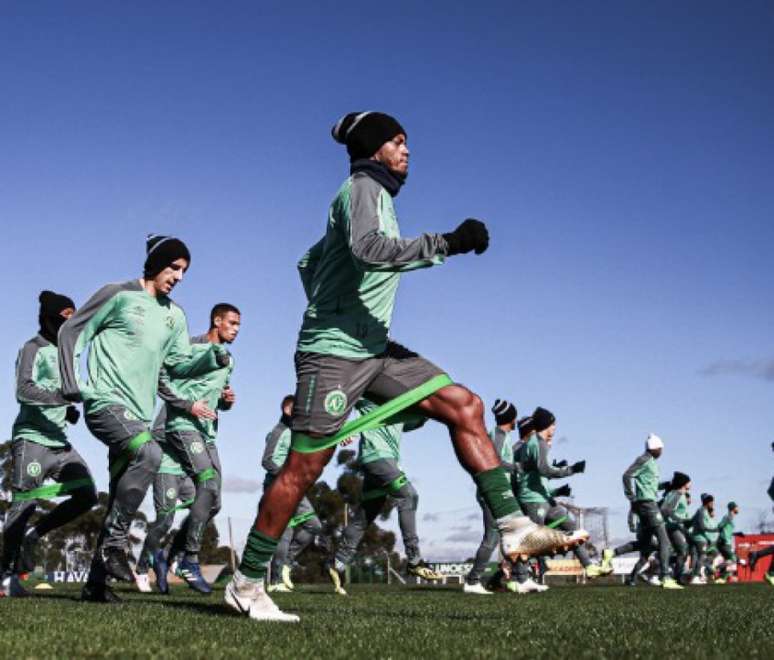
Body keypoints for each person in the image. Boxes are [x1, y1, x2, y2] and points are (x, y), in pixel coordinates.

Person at [224, 112, 586, 623]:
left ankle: (512, 525)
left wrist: (336, 295)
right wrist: (447, 243)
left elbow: (309, 262)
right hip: (333, 353)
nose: (406, 150)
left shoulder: (378, 198)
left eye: (406, 142)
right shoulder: (362, 188)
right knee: (304, 467)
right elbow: (368, 251)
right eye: (397, 141)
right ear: (374, 149)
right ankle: (245, 582)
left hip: (374, 349)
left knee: (465, 404)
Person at [58, 235, 229, 602]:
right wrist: (71, 383)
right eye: (174, 267)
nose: (179, 276)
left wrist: (212, 357)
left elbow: (178, 364)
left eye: (184, 271)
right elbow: (71, 331)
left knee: (123, 491)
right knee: (150, 455)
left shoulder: (175, 316)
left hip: (137, 414)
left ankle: (96, 586)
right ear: (155, 264)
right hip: (105, 403)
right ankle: (116, 545)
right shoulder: (117, 294)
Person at [1, 292, 97, 598]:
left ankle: (35, 534)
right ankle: (5, 577)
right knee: (24, 503)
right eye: (65, 315)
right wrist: (61, 399)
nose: (71, 322)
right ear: (50, 318)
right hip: (31, 438)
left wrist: (67, 411)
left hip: (59, 441)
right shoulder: (32, 348)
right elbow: (24, 390)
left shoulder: (68, 352)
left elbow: (63, 389)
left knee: (86, 494)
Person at [150, 303, 239, 594]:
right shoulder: (189, 347)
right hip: (180, 426)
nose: (236, 330)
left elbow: (214, 397)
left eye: (239, 326)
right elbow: (161, 380)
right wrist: (188, 406)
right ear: (217, 320)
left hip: (208, 434)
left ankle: (172, 556)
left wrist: (225, 400)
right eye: (232, 323)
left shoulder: (228, 359)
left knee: (214, 501)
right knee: (205, 484)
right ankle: (189, 558)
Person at [328, 397, 442, 596]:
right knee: (409, 495)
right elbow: (347, 398)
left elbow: (413, 421)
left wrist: (429, 412)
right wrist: (345, 429)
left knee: (363, 517)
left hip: (383, 463)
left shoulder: (398, 403)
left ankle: (338, 562)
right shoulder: (369, 393)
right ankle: (414, 560)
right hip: (376, 459)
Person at [517, 407, 610, 580]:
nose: (555, 428)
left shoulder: (539, 443)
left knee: (572, 528)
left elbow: (539, 473)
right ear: (547, 425)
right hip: (533, 500)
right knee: (532, 541)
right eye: (553, 424)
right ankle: (521, 578)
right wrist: (571, 469)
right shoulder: (538, 443)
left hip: (546, 499)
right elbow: (544, 470)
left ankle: (588, 566)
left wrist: (557, 487)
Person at [465, 400, 543, 595]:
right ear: (511, 418)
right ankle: (473, 581)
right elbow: (495, 460)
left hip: (499, 492)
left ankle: (520, 578)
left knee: (515, 534)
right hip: (493, 493)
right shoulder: (498, 435)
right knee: (491, 539)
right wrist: (517, 467)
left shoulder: (502, 435)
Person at [261, 395, 325, 593]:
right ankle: (275, 581)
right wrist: (287, 476)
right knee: (286, 533)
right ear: (288, 409)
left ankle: (286, 564)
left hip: (293, 488)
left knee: (313, 525)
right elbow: (268, 460)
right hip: (279, 488)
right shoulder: (279, 432)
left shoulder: (296, 433)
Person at [621, 433, 682, 589]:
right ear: (654, 448)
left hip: (647, 503)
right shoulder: (644, 459)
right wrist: (632, 498)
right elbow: (627, 475)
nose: (662, 451)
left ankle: (621, 565)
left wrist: (666, 485)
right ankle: (665, 577)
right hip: (648, 505)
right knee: (664, 542)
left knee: (645, 545)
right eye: (660, 448)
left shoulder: (651, 462)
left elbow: (649, 486)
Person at [134, 441, 195, 594]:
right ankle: (142, 570)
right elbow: (156, 434)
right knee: (164, 522)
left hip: (186, 473)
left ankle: (173, 556)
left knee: (203, 511)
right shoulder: (167, 416)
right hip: (166, 471)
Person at [657, 471, 692, 584]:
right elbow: (666, 510)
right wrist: (680, 520)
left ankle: (672, 572)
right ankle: (676, 576)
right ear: (684, 483)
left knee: (681, 551)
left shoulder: (676, 493)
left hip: (673, 526)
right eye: (689, 481)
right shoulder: (677, 494)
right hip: (672, 526)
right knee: (682, 551)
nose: (691, 483)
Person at [688, 493, 719, 585]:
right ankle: (696, 576)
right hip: (700, 538)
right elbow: (702, 527)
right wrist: (713, 530)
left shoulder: (702, 511)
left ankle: (693, 576)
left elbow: (691, 521)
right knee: (702, 556)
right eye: (712, 502)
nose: (713, 504)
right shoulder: (702, 511)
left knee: (696, 557)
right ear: (708, 502)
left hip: (697, 537)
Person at [715, 501, 740, 583]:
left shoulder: (731, 517)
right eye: (737, 507)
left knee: (728, 560)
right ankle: (716, 567)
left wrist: (736, 533)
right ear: (733, 508)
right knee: (732, 559)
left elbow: (727, 530)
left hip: (727, 542)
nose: (738, 508)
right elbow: (719, 526)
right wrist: (723, 538)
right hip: (724, 542)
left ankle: (722, 578)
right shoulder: (728, 517)